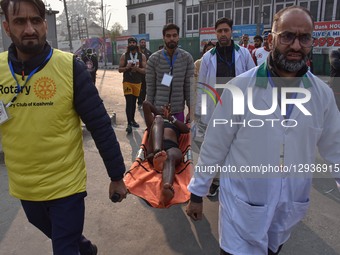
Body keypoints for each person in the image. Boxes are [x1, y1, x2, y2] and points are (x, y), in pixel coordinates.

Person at [186, 6, 340, 255]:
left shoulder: (321, 95)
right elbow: (216, 144)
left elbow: (336, 147)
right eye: (287, 36)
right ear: (271, 40)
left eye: (305, 37)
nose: (296, 46)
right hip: (241, 210)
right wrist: (197, 191)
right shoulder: (241, 87)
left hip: (287, 212)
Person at [0, 0, 127, 254]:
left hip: (66, 186)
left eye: (35, 20)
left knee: (64, 246)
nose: (29, 29)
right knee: (60, 234)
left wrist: (116, 176)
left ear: (44, 25)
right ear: (6, 27)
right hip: (25, 187)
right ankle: (86, 249)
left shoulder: (70, 67)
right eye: (20, 21)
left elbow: (100, 125)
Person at [195, 18, 255, 197]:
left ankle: (235, 183)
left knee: (239, 147)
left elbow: (254, 81)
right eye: (219, 31)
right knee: (215, 147)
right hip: (216, 109)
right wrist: (200, 111)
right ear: (215, 33)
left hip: (238, 109)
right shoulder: (208, 57)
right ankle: (215, 181)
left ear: (231, 32)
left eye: (226, 31)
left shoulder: (243, 54)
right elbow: (202, 85)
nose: (223, 34)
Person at [142, 100, 190, 206]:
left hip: (172, 148)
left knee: (171, 156)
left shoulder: (175, 123)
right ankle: (158, 154)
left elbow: (186, 129)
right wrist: (158, 113)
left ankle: (167, 187)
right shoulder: (155, 123)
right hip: (155, 146)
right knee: (158, 120)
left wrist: (171, 118)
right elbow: (146, 104)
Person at [146, 23, 194, 124]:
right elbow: (150, 88)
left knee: (178, 138)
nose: (171, 38)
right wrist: (149, 111)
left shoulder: (187, 58)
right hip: (159, 111)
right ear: (163, 38)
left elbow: (189, 87)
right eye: (168, 36)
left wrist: (191, 110)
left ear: (178, 37)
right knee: (159, 139)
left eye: (174, 35)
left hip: (178, 111)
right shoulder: (154, 59)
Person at [118, 37, 147, 134]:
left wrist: (137, 69)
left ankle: (132, 120)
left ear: (136, 44)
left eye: (133, 42)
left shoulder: (141, 56)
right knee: (129, 101)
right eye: (130, 43)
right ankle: (129, 124)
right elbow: (119, 69)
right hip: (127, 81)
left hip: (137, 82)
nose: (132, 44)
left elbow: (145, 70)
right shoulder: (124, 55)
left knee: (134, 102)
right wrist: (127, 67)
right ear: (128, 44)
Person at [137, 38, 153, 109]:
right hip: (138, 73)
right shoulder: (136, 53)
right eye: (142, 42)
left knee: (144, 88)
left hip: (146, 74)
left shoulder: (149, 53)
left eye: (144, 42)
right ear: (139, 44)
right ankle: (139, 102)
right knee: (139, 88)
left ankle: (142, 101)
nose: (143, 44)